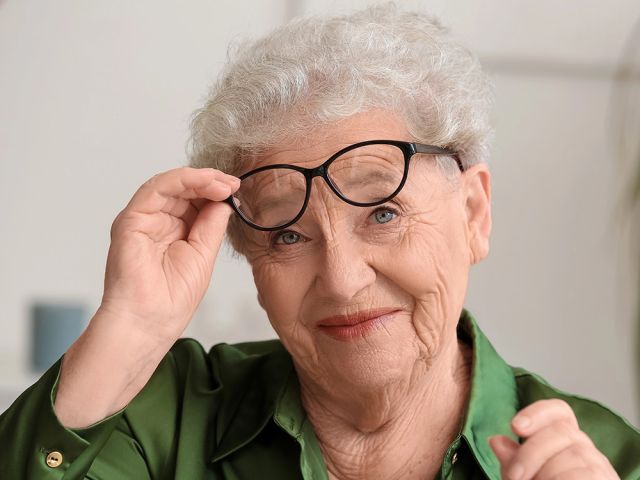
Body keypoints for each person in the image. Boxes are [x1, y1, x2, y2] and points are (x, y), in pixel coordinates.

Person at [1, 5, 639, 480]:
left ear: (473, 213)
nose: (341, 278)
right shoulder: (160, 420)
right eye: (286, 232)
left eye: (383, 213)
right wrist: (133, 323)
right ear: (246, 254)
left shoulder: (606, 458)